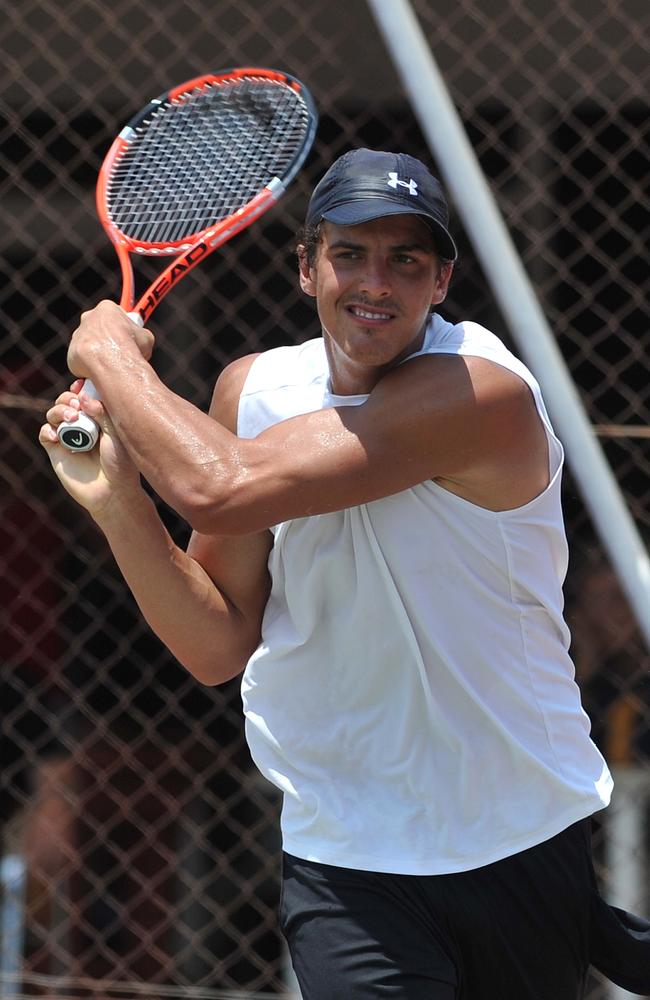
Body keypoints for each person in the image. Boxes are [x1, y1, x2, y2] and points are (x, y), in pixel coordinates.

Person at [39, 148, 650, 999]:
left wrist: (112, 357)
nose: (377, 283)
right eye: (351, 253)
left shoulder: (482, 392)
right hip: (345, 858)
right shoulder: (252, 394)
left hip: (516, 837)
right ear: (306, 267)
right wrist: (119, 507)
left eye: (407, 260)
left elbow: (221, 484)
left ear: (441, 282)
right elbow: (216, 644)